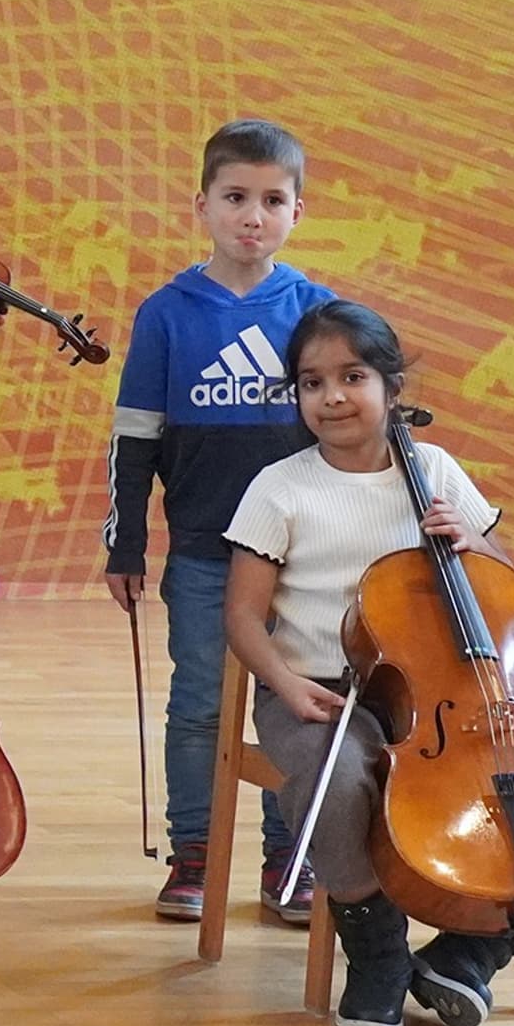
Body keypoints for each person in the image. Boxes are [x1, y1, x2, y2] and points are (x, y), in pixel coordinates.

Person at [227, 301, 514, 1026]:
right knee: (342, 781)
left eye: (352, 376)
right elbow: (242, 617)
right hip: (322, 691)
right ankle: (378, 952)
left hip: (449, 695)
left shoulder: (436, 468)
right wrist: (285, 684)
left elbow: (501, 587)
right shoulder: (278, 487)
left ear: (391, 385)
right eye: (312, 381)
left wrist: (472, 541)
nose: (332, 396)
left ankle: (471, 950)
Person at [103, 119, 332, 927]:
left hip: (303, 559)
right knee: (200, 701)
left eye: (273, 200)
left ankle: (289, 853)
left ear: (297, 212)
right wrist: (124, 541)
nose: (252, 216)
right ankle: (193, 851)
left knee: (291, 697)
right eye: (236, 197)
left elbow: (349, 427)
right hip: (202, 552)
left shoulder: (317, 310)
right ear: (202, 204)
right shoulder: (166, 314)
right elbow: (133, 441)